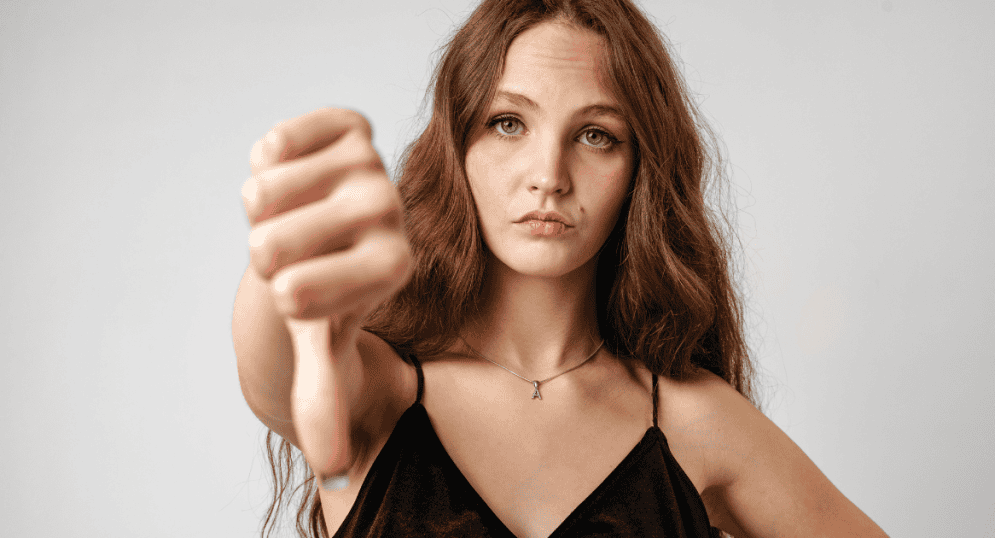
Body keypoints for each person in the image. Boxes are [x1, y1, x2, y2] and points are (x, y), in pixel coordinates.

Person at [233, 1, 890, 537]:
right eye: (508, 123)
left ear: (639, 171)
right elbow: (272, 366)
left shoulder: (695, 422)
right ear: (457, 148)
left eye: (595, 134)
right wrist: (290, 250)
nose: (548, 176)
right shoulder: (378, 393)